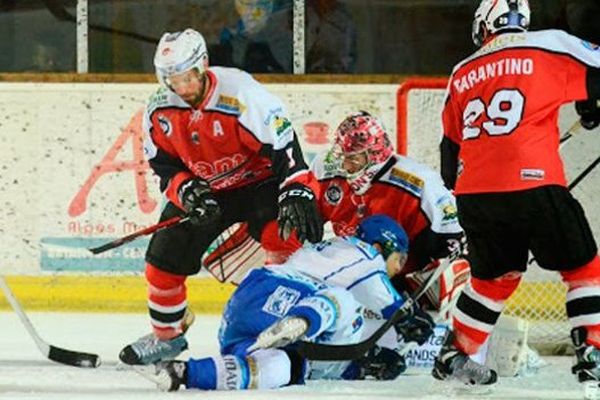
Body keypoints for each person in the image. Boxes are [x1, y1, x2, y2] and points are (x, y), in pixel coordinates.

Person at [118, 28, 323, 365]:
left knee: (283, 235)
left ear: (203, 66)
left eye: (187, 78)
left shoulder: (241, 94)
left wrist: (296, 188)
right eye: (172, 80)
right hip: (207, 188)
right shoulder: (158, 110)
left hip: (259, 183)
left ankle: (285, 324)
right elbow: (163, 166)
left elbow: (284, 146)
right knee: (162, 260)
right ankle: (167, 337)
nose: (182, 89)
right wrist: (188, 191)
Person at [433, 0, 600, 386]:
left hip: (474, 193)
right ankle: (592, 349)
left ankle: (454, 354)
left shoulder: (462, 71)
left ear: (484, 24)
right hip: (535, 183)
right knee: (582, 269)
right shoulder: (548, 44)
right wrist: (589, 102)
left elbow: (448, 161)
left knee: (493, 281)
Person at [150, 215, 435, 391]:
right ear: (378, 247)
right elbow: (389, 304)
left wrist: (360, 366)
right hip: (291, 297)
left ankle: (182, 373)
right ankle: (301, 321)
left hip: (246, 308)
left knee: (281, 369)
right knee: (341, 300)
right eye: (398, 259)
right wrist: (411, 317)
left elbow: (340, 341)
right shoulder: (366, 255)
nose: (398, 269)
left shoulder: (332, 249)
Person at [262, 111, 468, 311]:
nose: (344, 164)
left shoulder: (421, 183)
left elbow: (454, 241)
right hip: (350, 272)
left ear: (375, 155)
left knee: (449, 275)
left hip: (403, 278)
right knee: (282, 226)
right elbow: (302, 222)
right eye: (342, 155)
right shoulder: (326, 168)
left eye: (353, 158)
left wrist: (422, 285)